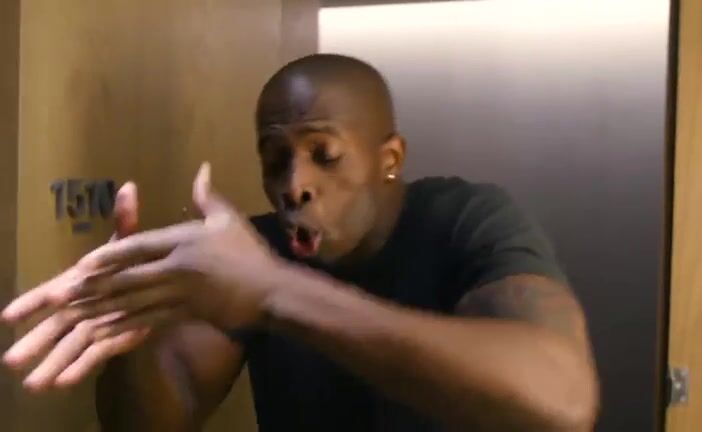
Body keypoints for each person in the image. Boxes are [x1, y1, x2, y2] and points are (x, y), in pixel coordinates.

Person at [2, 54, 598, 431]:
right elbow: (149, 420)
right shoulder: (256, 255)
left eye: (324, 154)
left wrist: (274, 293)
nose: (294, 185)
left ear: (389, 159)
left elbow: (561, 400)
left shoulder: (466, 218)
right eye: (275, 158)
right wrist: (133, 322)